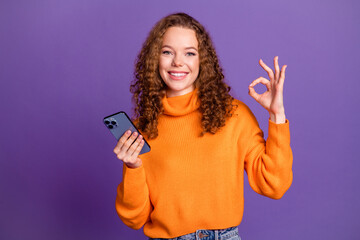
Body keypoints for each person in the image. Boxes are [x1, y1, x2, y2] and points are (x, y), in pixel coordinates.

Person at [113, 12, 293, 240]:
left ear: (202, 61)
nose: (178, 62)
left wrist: (277, 115)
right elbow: (134, 218)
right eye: (167, 52)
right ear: (154, 60)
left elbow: (274, 185)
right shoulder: (142, 129)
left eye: (189, 53)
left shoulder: (234, 115)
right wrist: (133, 167)